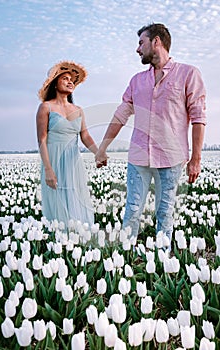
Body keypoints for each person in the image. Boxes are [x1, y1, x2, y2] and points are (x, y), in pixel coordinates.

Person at [95, 23, 206, 248]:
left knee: (165, 211)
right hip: (138, 156)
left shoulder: (188, 73)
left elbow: (198, 118)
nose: (138, 49)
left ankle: (162, 259)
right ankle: (125, 257)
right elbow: (120, 115)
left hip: (171, 157)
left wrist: (196, 159)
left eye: (141, 43)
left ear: (156, 41)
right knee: (132, 209)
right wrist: (102, 148)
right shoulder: (137, 81)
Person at [36, 60, 98, 229]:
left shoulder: (78, 109)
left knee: (75, 196)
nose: (70, 81)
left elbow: (85, 136)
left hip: (73, 161)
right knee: (58, 201)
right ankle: (59, 241)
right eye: (65, 78)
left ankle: (78, 238)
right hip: (54, 160)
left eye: (71, 79)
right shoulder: (45, 107)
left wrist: (98, 153)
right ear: (55, 84)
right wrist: (48, 169)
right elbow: (41, 140)